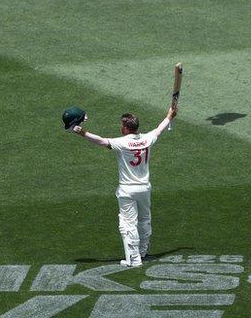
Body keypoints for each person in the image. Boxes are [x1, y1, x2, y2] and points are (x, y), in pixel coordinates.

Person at [66, 103, 176, 268]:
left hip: (127, 190)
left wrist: (82, 132)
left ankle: (134, 259)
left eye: (121, 125)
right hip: (144, 187)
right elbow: (159, 129)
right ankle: (143, 251)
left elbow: (101, 141)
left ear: (126, 127)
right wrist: (169, 116)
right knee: (145, 219)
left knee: (127, 223)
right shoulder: (147, 139)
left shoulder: (122, 143)